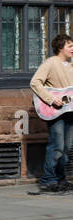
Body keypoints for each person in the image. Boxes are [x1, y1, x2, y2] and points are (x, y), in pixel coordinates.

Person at [30, 34, 73, 193]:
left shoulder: (71, 66)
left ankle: (61, 180)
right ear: (60, 47)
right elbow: (35, 82)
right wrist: (51, 99)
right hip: (55, 112)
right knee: (57, 145)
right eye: (70, 46)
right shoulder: (50, 63)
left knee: (67, 148)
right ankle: (48, 180)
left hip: (70, 111)